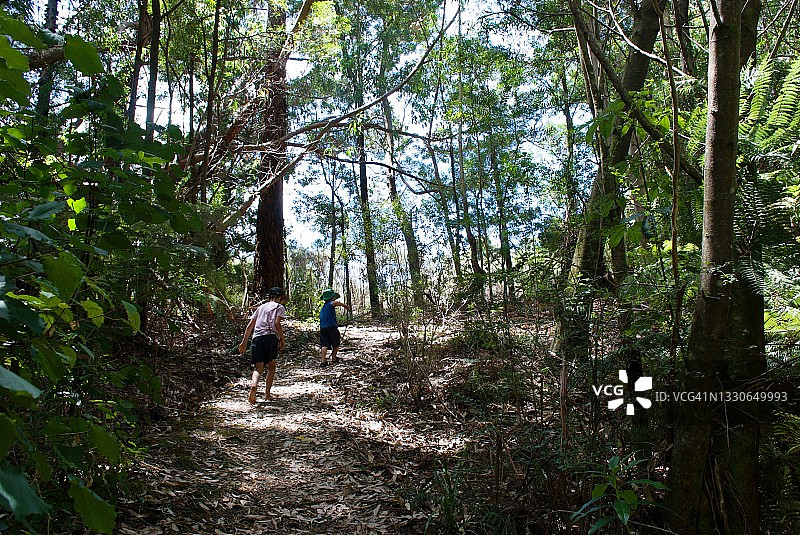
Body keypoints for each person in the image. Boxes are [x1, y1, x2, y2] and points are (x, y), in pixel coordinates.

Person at [239, 287, 287, 403]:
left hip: (257, 338)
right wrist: (282, 338)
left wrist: (244, 342)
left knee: (258, 367)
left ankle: (254, 385)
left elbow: (250, 325)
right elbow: (277, 323)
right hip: (270, 338)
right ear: (280, 297)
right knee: (271, 366)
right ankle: (267, 394)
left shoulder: (260, 307)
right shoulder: (279, 307)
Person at [319, 288, 351, 366]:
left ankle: (323, 361)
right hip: (331, 328)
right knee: (336, 343)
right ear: (331, 298)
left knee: (324, 344)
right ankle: (333, 358)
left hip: (323, 328)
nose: (335, 298)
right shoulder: (330, 304)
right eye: (334, 297)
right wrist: (345, 306)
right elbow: (334, 303)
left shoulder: (324, 308)